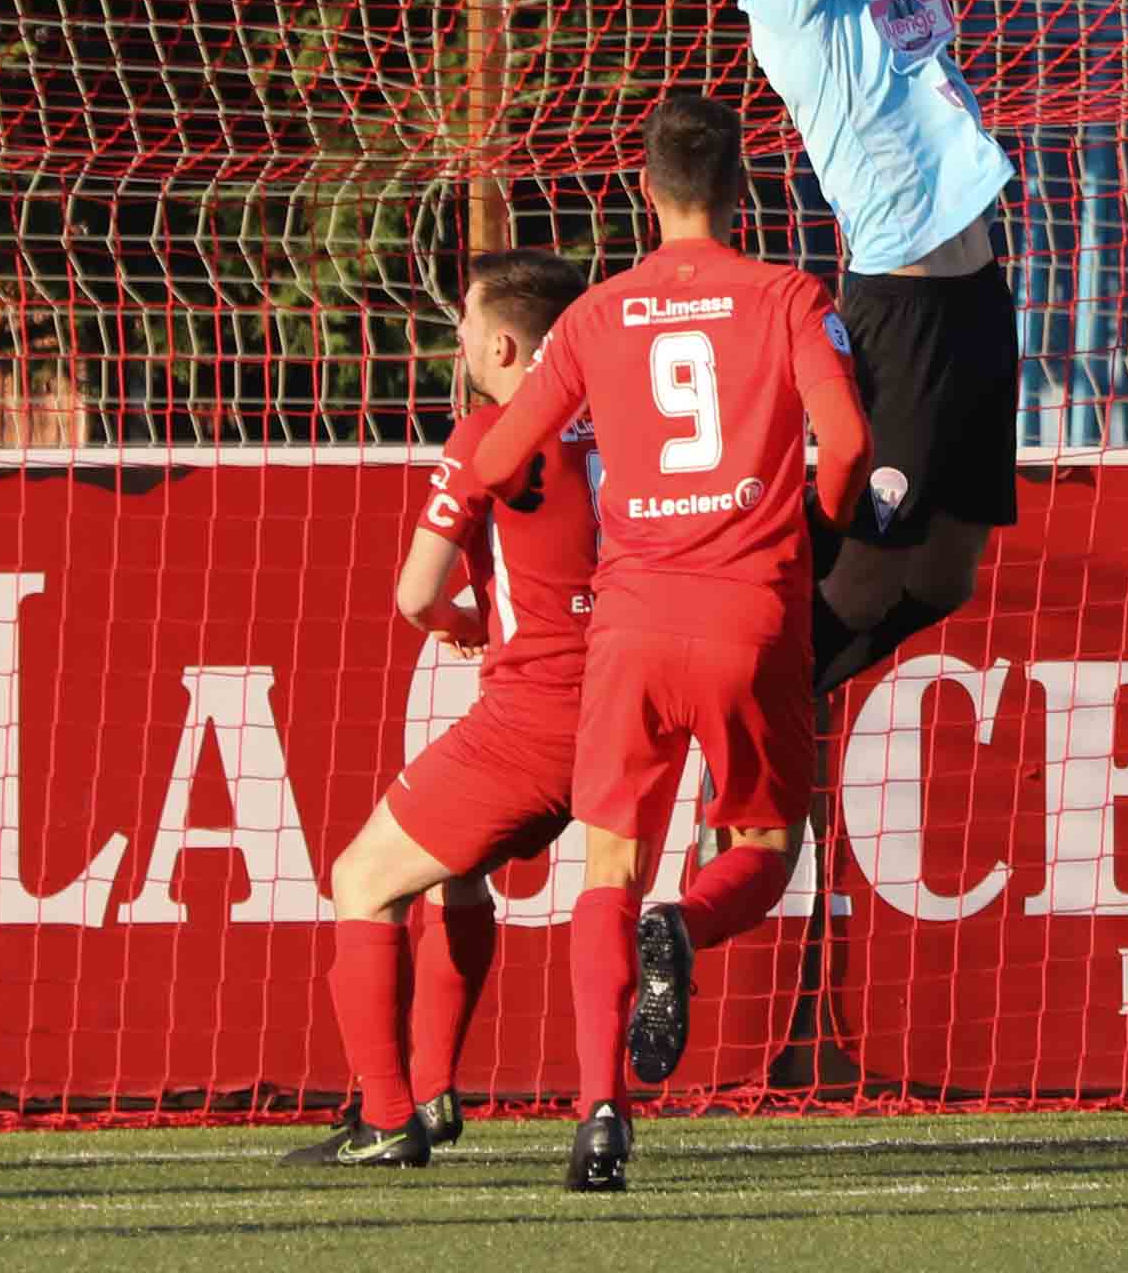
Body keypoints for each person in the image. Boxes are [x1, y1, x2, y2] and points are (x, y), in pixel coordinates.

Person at [450, 94, 870, 1191]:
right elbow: (851, 440)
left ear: (644, 187)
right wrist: (818, 520)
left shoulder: (593, 315)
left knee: (606, 869)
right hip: (750, 610)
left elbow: (499, 459)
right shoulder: (788, 294)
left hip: (630, 622)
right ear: (745, 186)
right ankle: (684, 925)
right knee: (769, 848)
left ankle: (598, 1112)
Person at [695, 0, 1016, 696]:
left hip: (977, 295)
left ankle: (795, 698)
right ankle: (758, 712)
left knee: (952, 574)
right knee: (871, 573)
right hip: (906, 306)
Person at [289, 248, 596, 1168]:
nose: (456, 338)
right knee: (456, 873)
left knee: (360, 880)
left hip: (537, 711)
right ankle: (432, 1094)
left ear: (503, 344)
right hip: (630, 705)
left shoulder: (489, 434)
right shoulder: (631, 423)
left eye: (462, 322)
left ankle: (385, 1119)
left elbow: (415, 594)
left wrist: (459, 619)